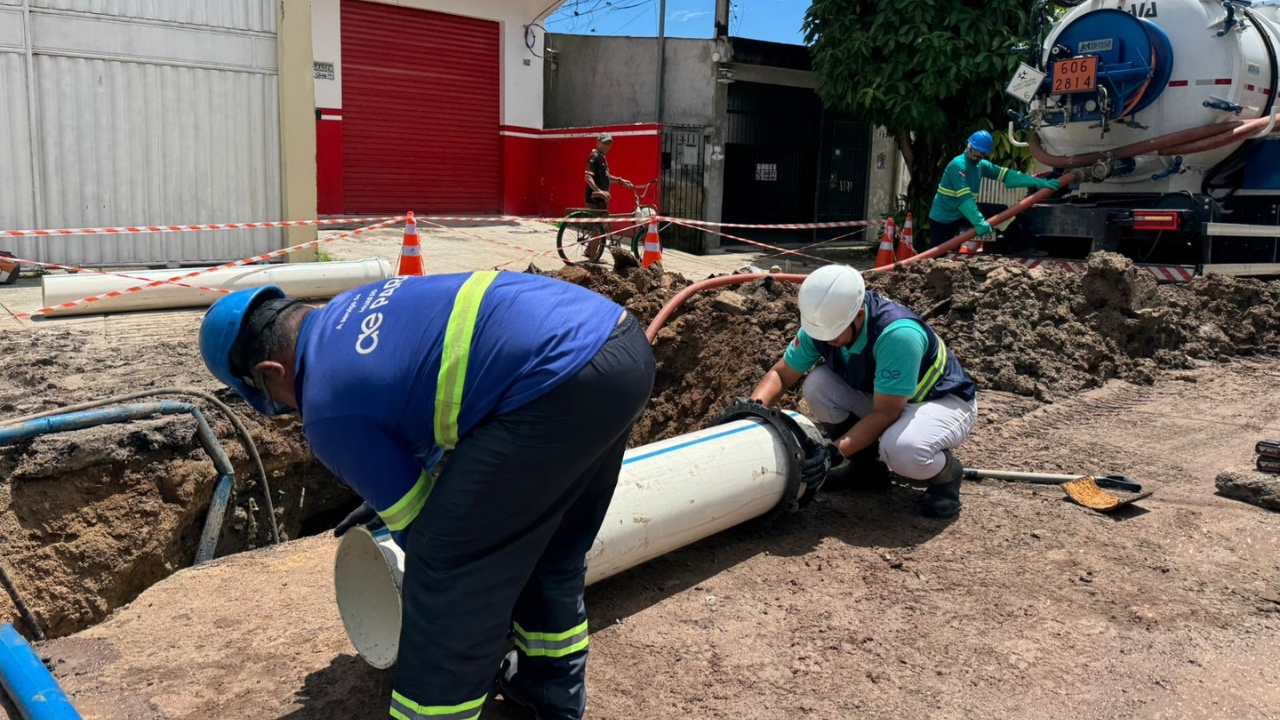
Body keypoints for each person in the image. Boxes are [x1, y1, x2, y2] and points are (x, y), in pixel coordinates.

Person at [199, 271, 655, 720]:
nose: (286, 409)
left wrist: (403, 507)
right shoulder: (350, 308)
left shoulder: (325, 407)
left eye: (273, 400)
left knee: (446, 566)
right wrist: (385, 489)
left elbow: (424, 532)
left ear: (270, 371)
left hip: (556, 383)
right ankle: (550, 692)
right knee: (551, 546)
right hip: (618, 349)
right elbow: (431, 404)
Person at [748, 265, 978, 519]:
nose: (826, 340)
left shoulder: (897, 335)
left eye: (832, 334)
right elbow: (781, 375)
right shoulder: (825, 324)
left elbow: (886, 413)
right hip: (887, 398)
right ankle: (867, 470)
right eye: (819, 333)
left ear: (858, 315)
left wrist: (832, 454)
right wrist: (751, 412)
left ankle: (947, 476)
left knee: (902, 450)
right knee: (818, 385)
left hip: (940, 402)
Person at [927, 130, 1059, 250]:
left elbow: (1008, 175)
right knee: (938, 256)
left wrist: (1038, 182)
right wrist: (979, 222)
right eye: (976, 152)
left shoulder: (980, 165)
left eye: (982, 154)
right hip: (944, 217)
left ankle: (1021, 249)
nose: (978, 156)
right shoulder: (958, 165)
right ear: (969, 146)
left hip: (962, 213)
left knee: (1003, 212)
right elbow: (965, 199)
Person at [583, 132, 633, 212]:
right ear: (598, 143)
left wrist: (619, 180)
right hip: (594, 201)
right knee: (597, 220)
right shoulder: (595, 156)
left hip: (601, 200)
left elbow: (605, 176)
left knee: (603, 219)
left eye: (608, 144)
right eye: (604, 143)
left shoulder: (601, 157)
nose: (606, 146)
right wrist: (599, 191)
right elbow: (587, 177)